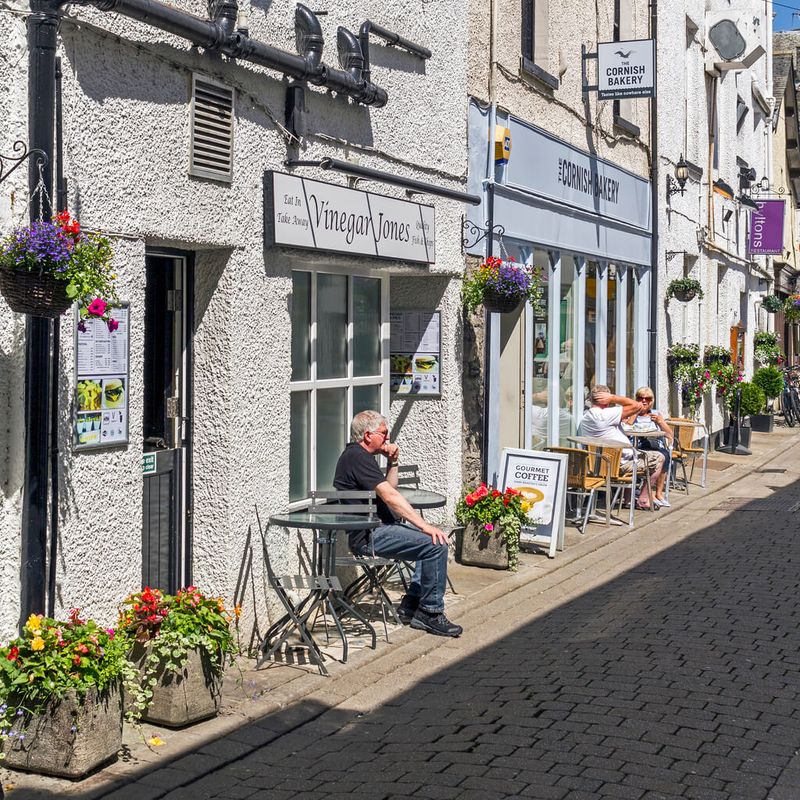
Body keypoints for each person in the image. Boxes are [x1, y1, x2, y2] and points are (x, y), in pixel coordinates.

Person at [333, 410, 462, 638]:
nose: (387, 438)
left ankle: (411, 602)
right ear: (367, 435)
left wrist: (393, 461)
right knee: (435, 544)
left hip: (380, 528)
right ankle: (430, 613)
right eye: (383, 433)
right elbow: (391, 498)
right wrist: (424, 525)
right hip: (370, 536)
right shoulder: (356, 457)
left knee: (432, 540)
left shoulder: (363, 457)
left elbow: (390, 488)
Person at [578, 385, 665, 510]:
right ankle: (643, 499)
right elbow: (638, 406)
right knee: (659, 457)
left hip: (595, 466)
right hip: (617, 466)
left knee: (634, 455)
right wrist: (613, 398)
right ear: (606, 399)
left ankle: (628, 499)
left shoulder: (585, 417)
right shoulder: (605, 414)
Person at [622, 386, 674, 508]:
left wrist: (660, 422)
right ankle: (629, 496)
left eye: (647, 399)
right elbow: (624, 430)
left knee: (665, 455)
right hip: (636, 445)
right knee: (632, 456)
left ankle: (658, 493)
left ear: (652, 401)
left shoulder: (655, 414)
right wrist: (633, 417)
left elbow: (669, 435)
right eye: (640, 398)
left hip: (654, 445)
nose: (644, 401)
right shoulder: (630, 413)